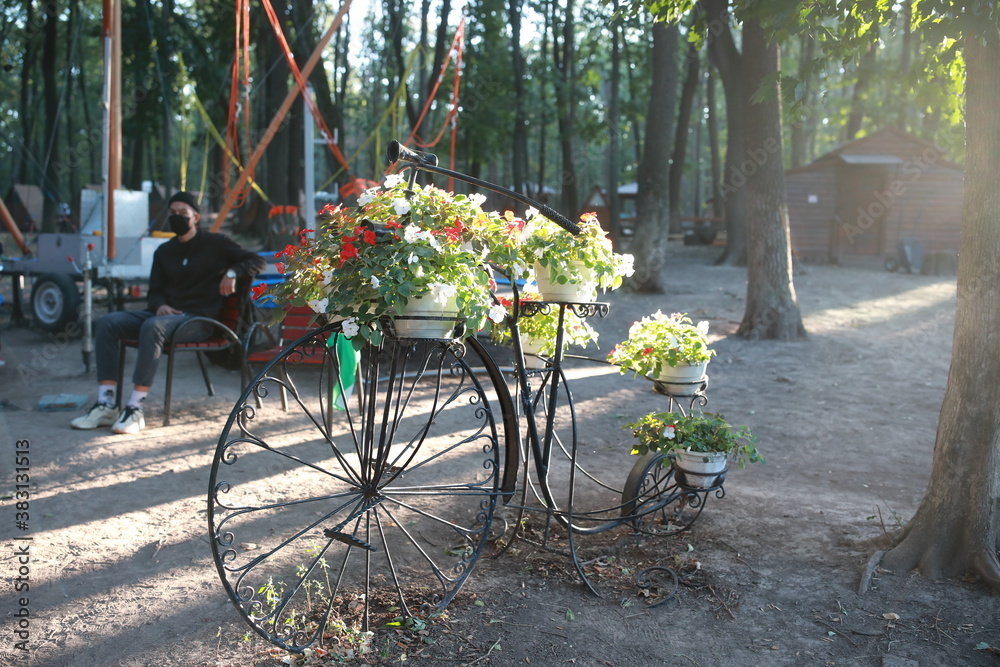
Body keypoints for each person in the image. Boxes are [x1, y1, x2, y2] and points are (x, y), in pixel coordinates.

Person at [71, 191, 265, 434]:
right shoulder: (163, 252)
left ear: (196, 217)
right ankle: (106, 403)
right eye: (172, 213)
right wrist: (160, 305)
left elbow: (256, 260)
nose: (177, 218)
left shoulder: (215, 243)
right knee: (108, 322)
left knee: (153, 327)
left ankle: (135, 408)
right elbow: (154, 293)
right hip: (165, 316)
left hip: (200, 320)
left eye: (183, 213)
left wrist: (232, 273)